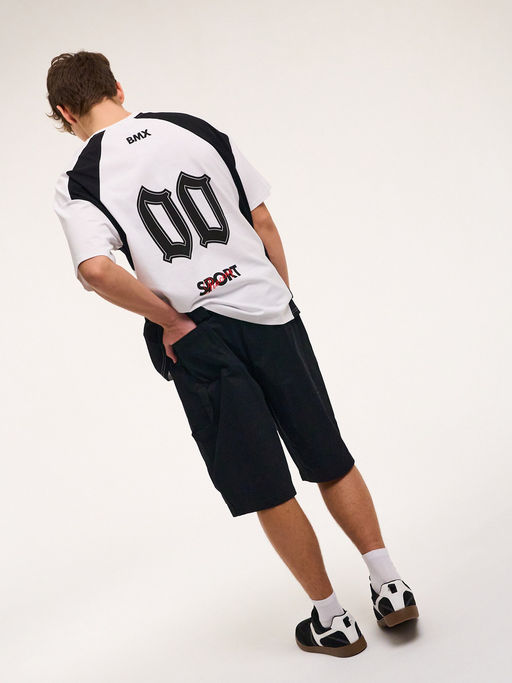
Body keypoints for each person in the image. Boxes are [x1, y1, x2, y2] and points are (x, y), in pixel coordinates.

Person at [48, 50, 419, 658]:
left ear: (65, 112)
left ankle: (333, 620)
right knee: (327, 454)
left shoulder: (80, 179)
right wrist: (278, 295)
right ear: (117, 86)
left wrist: (171, 321)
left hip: (200, 337)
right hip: (269, 309)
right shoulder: (194, 129)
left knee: (267, 484)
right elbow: (262, 220)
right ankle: (390, 584)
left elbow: (95, 269)